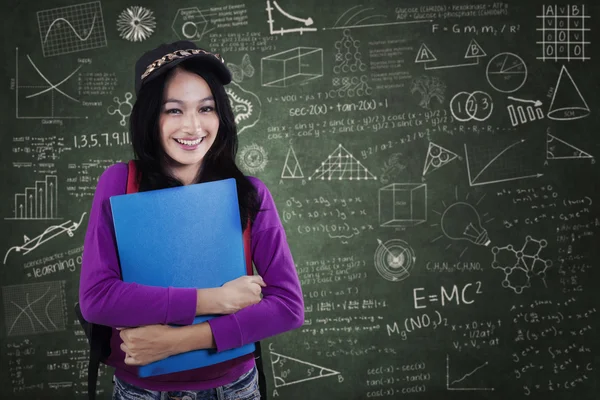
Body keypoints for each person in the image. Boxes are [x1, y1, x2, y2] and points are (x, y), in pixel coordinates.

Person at [78, 41, 304, 399]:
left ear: (221, 115)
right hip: (143, 390)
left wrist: (178, 341)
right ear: (150, 116)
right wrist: (215, 299)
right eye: (174, 110)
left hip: (234, 387)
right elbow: (97, 299)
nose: (193, 125)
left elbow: (289, 307)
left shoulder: (251, 194)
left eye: (206, 108)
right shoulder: (120, 183)